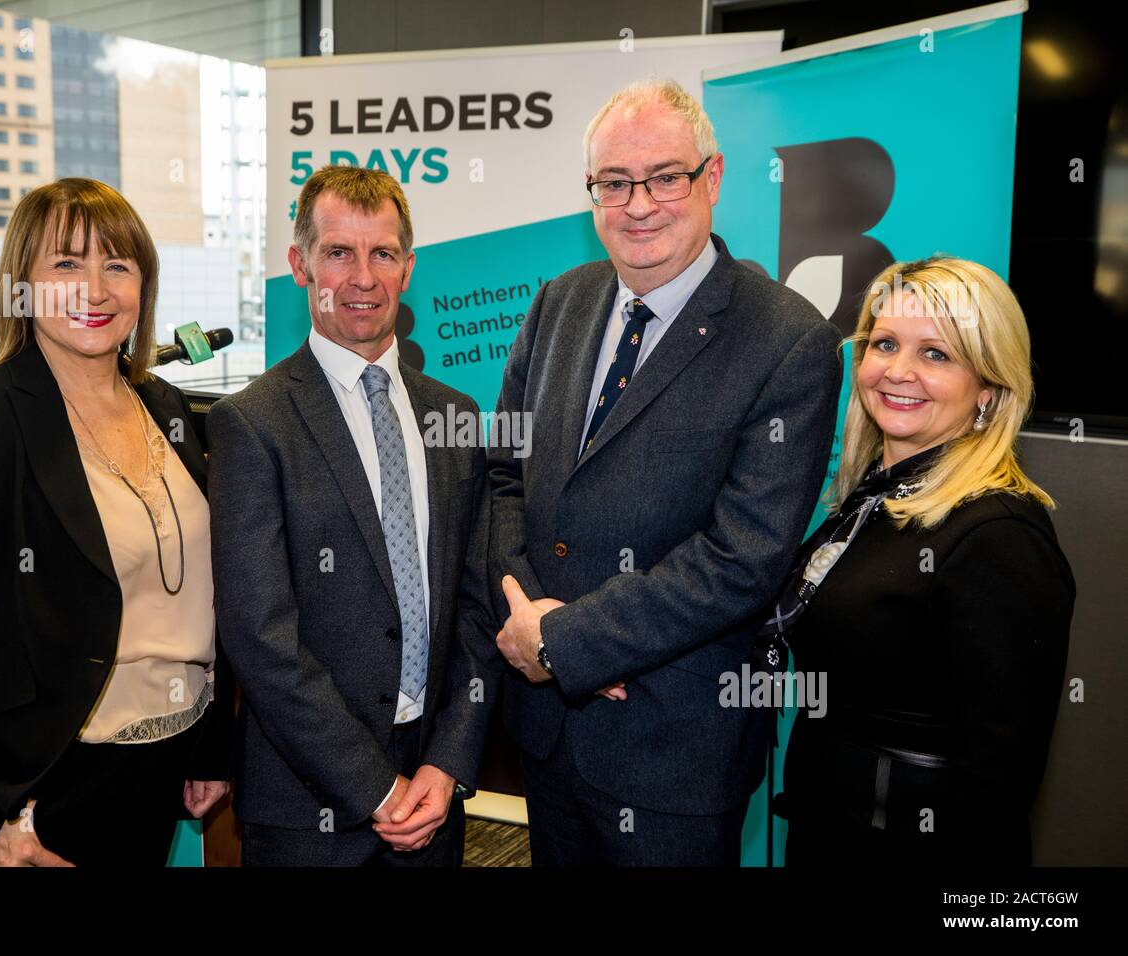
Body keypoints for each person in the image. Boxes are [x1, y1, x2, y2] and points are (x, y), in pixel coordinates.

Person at [488, 78, 843, 865]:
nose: (639, 203)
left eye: (665, 177)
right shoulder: (557, 304)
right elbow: (504, 477)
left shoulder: (789, 341)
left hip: (672, 752)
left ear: (711, 178)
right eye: (614, 183)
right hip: (547, 734)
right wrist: (531, 626)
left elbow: (743, 556)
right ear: (592, 195)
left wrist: (574, 640)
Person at [0, 178, 233, 867]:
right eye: (66, 264)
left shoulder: (166, 405)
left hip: (167, 759)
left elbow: (203, 597)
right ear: (21, 285)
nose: (95, 289)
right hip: (50, 783)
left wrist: (208, 745)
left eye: (117, 265)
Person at [208, 165, 501, 866]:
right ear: (300, 264)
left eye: (383, 253)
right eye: (339, 252)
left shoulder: (454, 415)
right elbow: (260, 639)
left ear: (408, 268)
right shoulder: (252, 424)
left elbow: (475, 608)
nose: (363, 277)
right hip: (307, 809)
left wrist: (448, 762)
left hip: (433, 792)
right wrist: (376, 789)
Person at [765, 256, 1075, 865]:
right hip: (830, 831)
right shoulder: (875, 500)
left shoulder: (999, 534)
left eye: (936, 354)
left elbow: (999, 780)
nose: (897, 371)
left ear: (988, 389)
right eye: (885, 344)